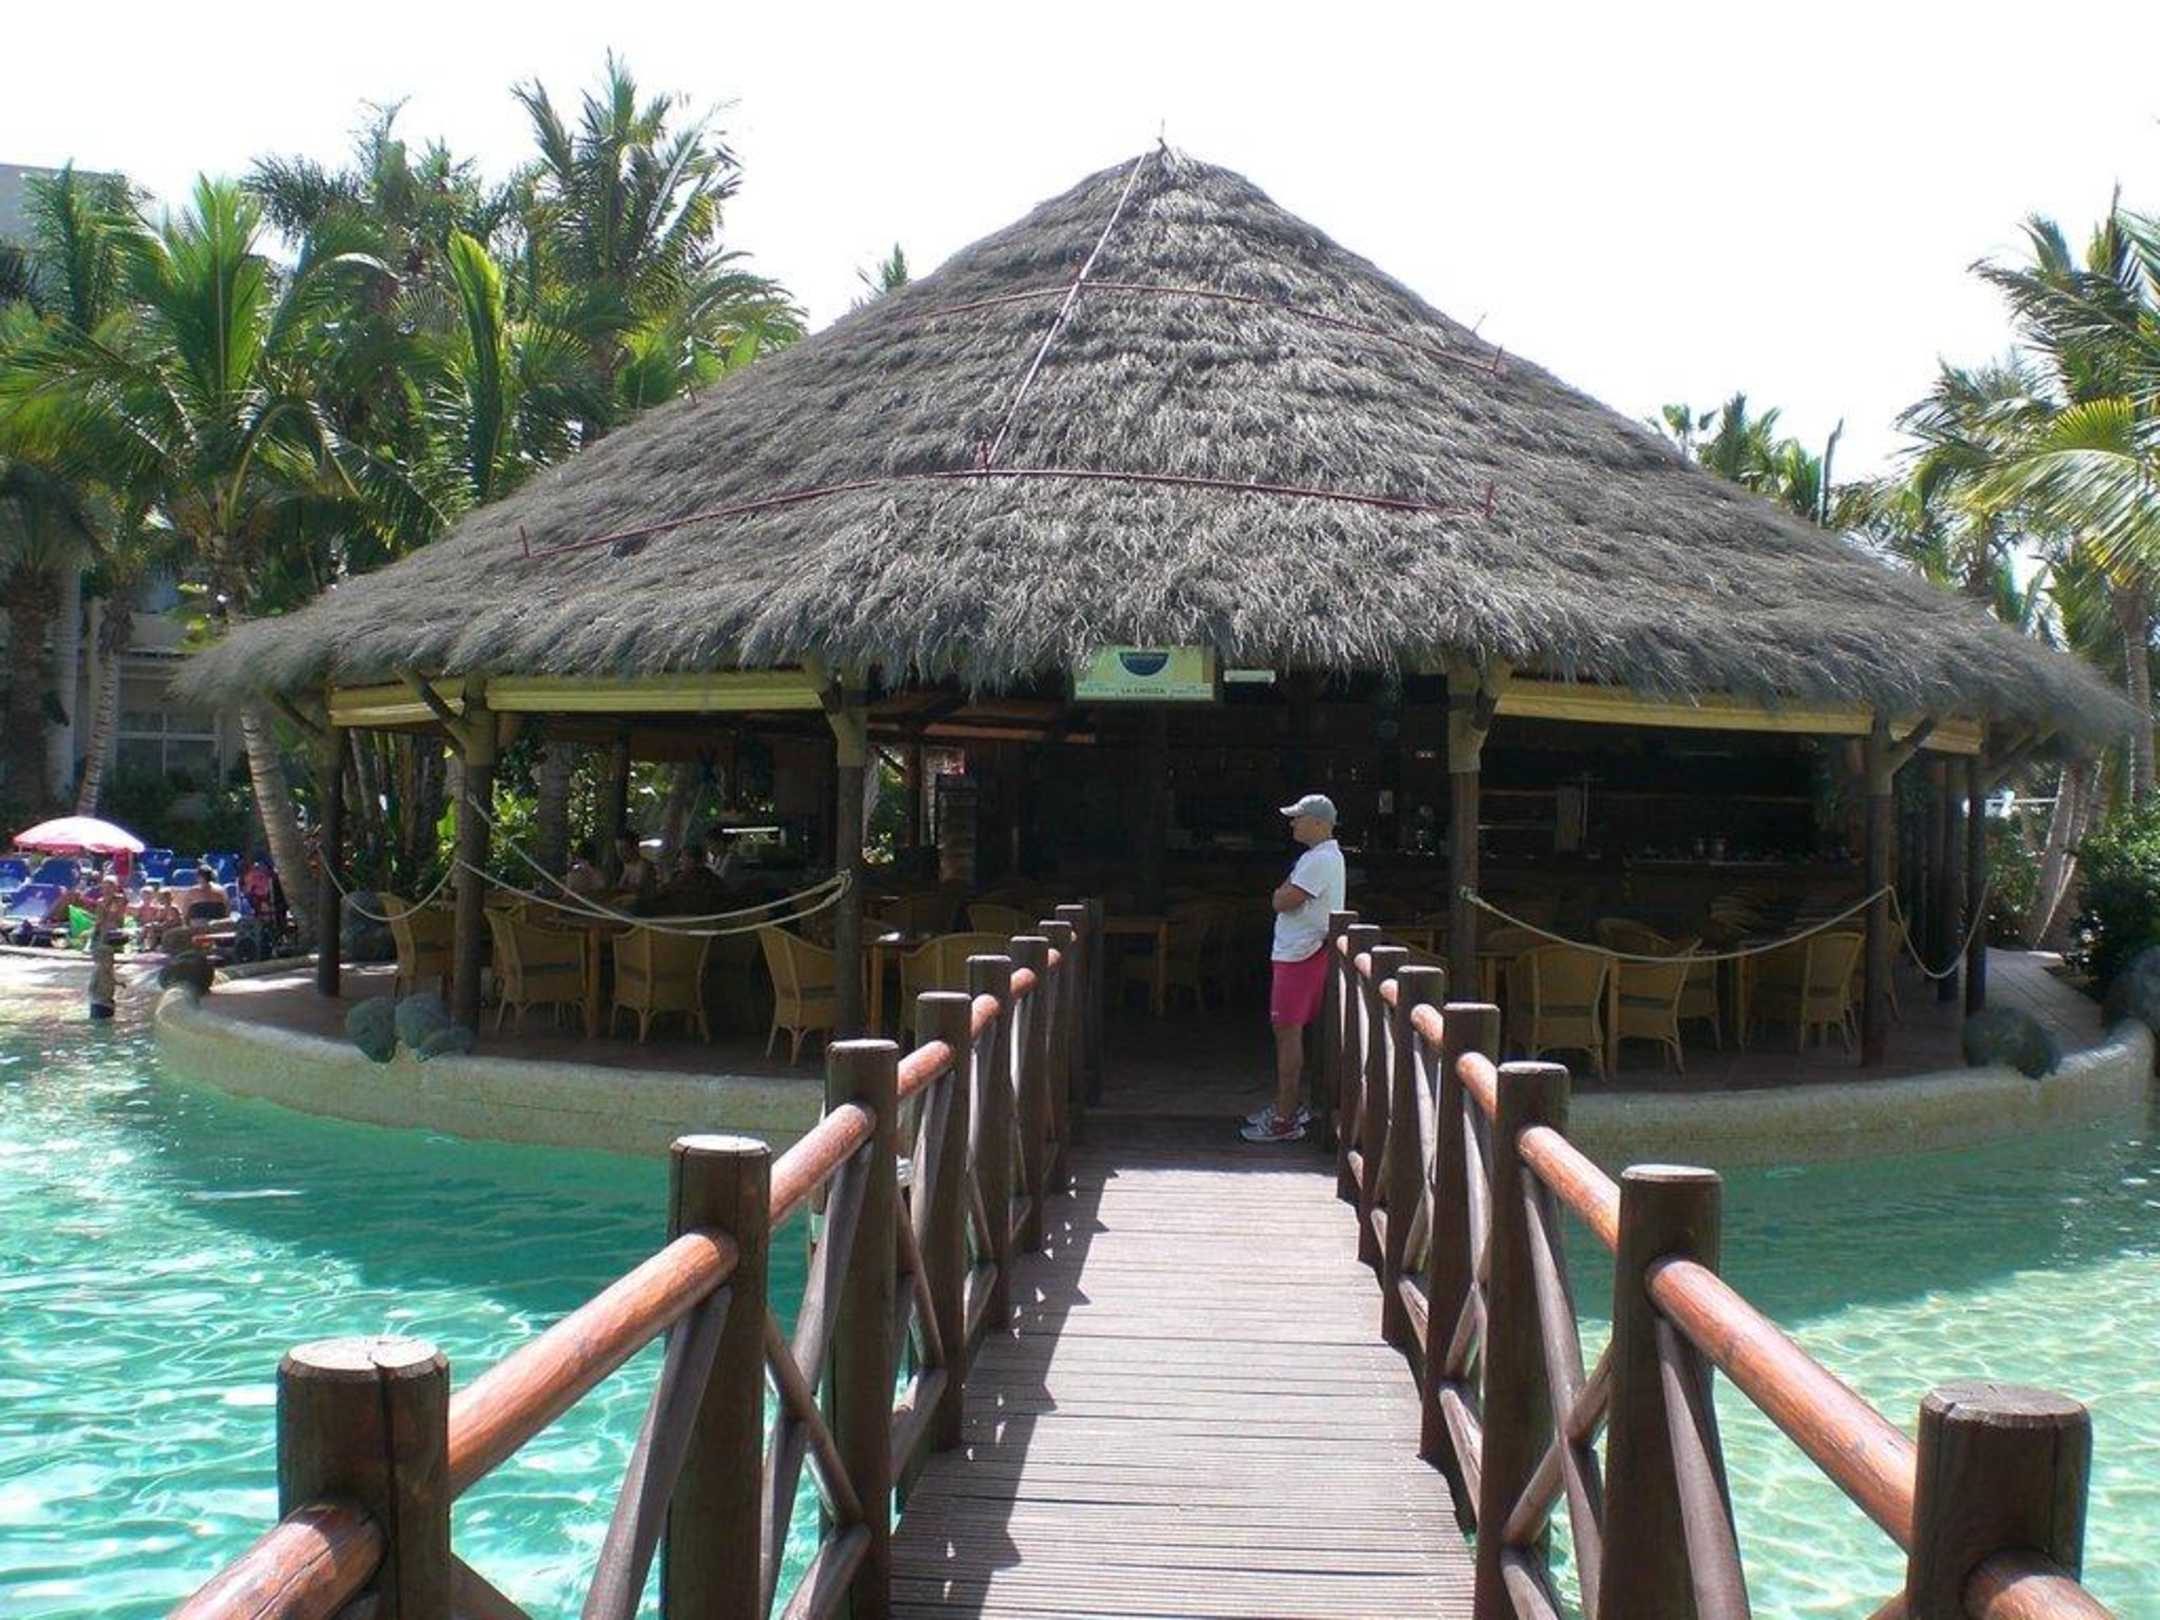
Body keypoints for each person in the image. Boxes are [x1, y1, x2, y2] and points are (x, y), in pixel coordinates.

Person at [1242, 793, 1347, 1144]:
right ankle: (1288, 1106)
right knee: (1287, 1031)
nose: (1292, 824)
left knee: (1287, 1032)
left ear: (1318, 822)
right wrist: (1284, 891)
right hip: (1298, 951)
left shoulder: (1319, 859)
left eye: (1298, 818)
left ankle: (1284, 1118)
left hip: (1300, 954)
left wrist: (1282, 891)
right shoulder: (1318, 857)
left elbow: (1283, 899)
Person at [615, 831, 658, 902]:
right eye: (618, 850)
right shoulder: (628, 865)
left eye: (624, 849)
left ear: (635, 848)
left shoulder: (644, 866)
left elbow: (638, 891)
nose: (620, 853)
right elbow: (620, 887)